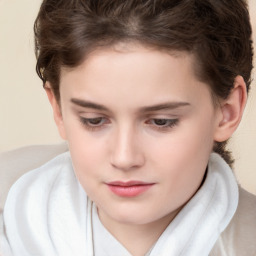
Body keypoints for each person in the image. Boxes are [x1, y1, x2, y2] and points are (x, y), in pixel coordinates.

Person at [1, 0, 255, 255]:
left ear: (227, 112)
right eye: (94, 120)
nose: (124, 158)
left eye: (161, 121)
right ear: (58, 109)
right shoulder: (9, 218)